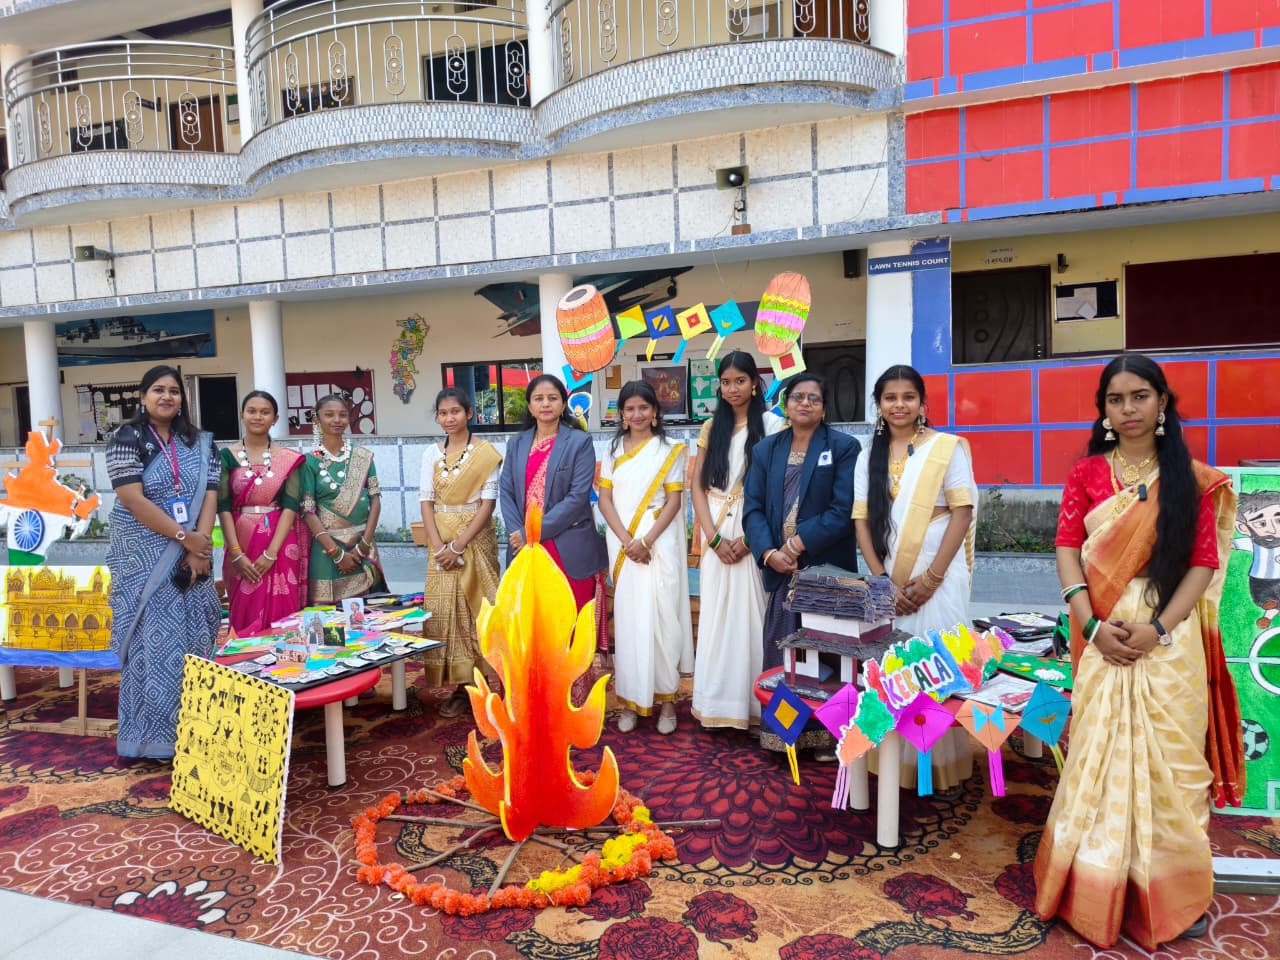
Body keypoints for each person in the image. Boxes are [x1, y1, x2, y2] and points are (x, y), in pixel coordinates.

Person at [1033, 354, 1245, 950]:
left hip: (1167, 641)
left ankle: (1172, 892)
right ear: (1103, 409)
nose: (1127, 409)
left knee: (1172, 766)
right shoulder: (1087, 474)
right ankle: (1093, 887)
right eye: (1116, 399)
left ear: (1162, 403)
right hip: (1101, 629)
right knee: (1097, 757)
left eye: (1140, 396)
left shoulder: (1190, 479)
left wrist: (1159, 629)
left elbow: (1203, 562)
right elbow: (1066, 548)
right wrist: (1091, 624)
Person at [853, 364, 977, 790]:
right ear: (879, 405)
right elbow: (861, 520)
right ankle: (893, 762)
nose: (899, 405)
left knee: (935, 670)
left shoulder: (946, 448)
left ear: (922, 402)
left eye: (908, 397)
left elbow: (962, 512)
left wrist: (931, 579)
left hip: (939, 573)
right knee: (896, 671)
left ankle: (938, 769)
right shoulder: (868, 455)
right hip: (889, 576)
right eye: (890, 397)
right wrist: (881, 580)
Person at [106, 364, 221, 759]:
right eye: (158, 389)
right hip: (145, 558)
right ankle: (154, 740)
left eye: (174, 391)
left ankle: (200, 729)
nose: (167, 396)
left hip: (192, 555)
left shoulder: (201, 443)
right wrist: (183, 537)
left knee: (196, 638)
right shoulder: (126, 438)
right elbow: (132, 499)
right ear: (143, 397)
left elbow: (210, 495)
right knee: (153, 646)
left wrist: (199, 549)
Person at [690, 352, 784, 730]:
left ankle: (754, 707)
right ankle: (716, 706)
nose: (733, 389)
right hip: (715, 524)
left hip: (754, 525)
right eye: (726, 382)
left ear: (755, 383)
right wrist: (713, 539)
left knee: (752, 617)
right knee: (716, 616)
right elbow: (697, 487)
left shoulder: (773, 425)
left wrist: (750, 540)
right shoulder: (712, 427)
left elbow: (778, 491)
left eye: (740, 381)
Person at [743, 373, 860, 671]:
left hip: (826, 572)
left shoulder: (843, 447)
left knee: (829, 661)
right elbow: (753, 509)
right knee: (782, 660)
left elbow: (843, 510)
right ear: (786, 404)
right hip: (781, 572)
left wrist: (795, 545)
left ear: (824, 408)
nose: (805, 403)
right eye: (797, 397)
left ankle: (826, 707)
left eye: (814, 398)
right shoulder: (765, 450)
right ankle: (781, 705)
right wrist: (769, 553)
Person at [598, 380, 694, 734]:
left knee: (663, 621)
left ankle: (666, 701)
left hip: (658, 543)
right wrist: (628, 542)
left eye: (643, 407)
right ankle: (630, 700)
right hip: (623, 545)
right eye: (630, 408)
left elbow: (674, 501)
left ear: (654, 411)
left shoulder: (669, 449)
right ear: (621, 415)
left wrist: (647, 541)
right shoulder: (612, 451)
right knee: (629, 623)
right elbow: (605, 501)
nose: (637, 414)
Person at [499, 374, 608, 640]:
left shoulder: (579, 442)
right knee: (530, 625)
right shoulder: (516, 443)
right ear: (529, 406)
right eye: (538, 398)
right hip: (523, 547)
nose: (546, 404)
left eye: (552, 398)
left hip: (566, 544)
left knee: (569, 624)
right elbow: (507, 491)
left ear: (563, 405)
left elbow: (577, 497)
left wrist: (532, 532)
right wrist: (518, 533)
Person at [418, 388, 503, 718]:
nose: (449, 418)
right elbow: (426, 501)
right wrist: (439, 546)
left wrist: (459, 545)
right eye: (443, 413)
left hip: (475, 540)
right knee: (446, 614)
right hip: (439, 543)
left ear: (469, 413)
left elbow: (488, 503)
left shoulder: (485, 454)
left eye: (455, 411)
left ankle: (489, 681)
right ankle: (461, 687)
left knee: (480, 609)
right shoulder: (431, 453)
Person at [217, 390, 308, 634]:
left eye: (265, 412)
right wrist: (236, 553)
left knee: (283, 614)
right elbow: (222, 507)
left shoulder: (289, 459)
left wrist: (271, 554)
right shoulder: (226, 456)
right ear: (242, 415)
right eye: (252, 411)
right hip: (240, 541)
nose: (258, 416)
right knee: (243, 608)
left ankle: (285, 655)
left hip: (280, 543)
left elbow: (291, 506)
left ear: (275, 419)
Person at [300, 394, 386, 603]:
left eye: (342, 415)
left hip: (362, 547)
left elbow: (375, 501)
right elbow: (308, 511)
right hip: (326, 549)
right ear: (317, 420)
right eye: (329, 415)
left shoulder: (363, 457)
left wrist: (363, 545)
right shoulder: (309, 462)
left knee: (368, 614)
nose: (337, 420)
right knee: (326, 616)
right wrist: (337, 553)